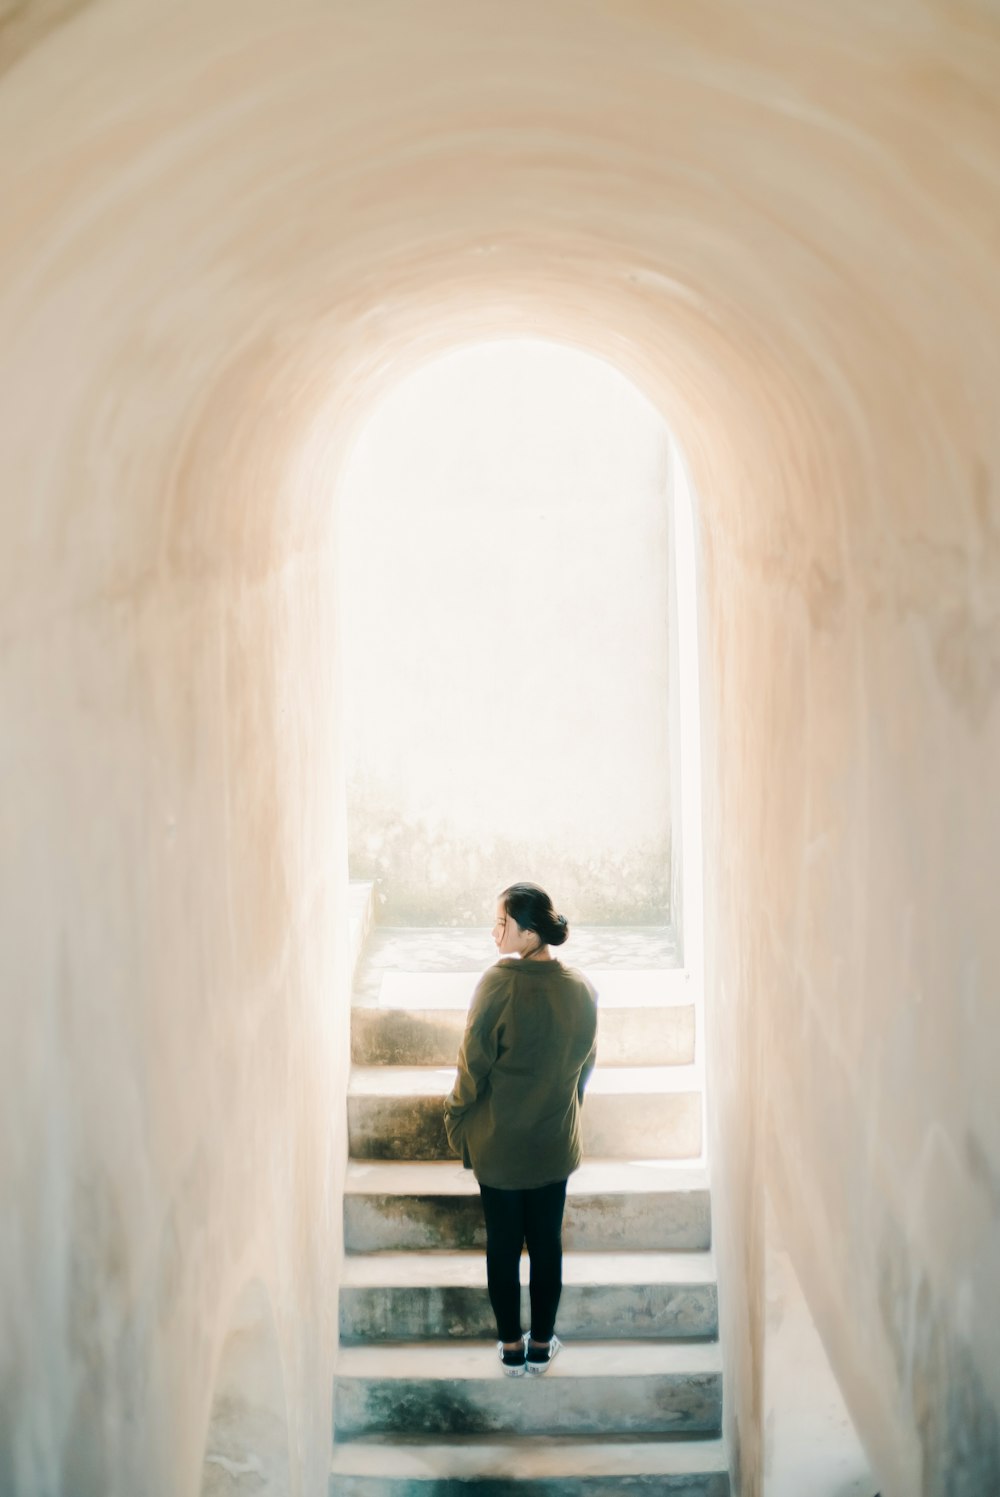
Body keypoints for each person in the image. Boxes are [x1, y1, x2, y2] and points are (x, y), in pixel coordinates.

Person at [443, 882, 598, 1376]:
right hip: (553, 1144)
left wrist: (456, 1115)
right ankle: (542, 1344)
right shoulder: (582, 989)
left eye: (502, 924)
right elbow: (584, 1066)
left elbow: (473, 1065)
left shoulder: (497, 984)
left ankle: (511, 1347)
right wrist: (563, 1108)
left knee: (504, 1246)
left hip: (500, 1145)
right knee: (547, 1244)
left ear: (529, 932)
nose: (494, 933)